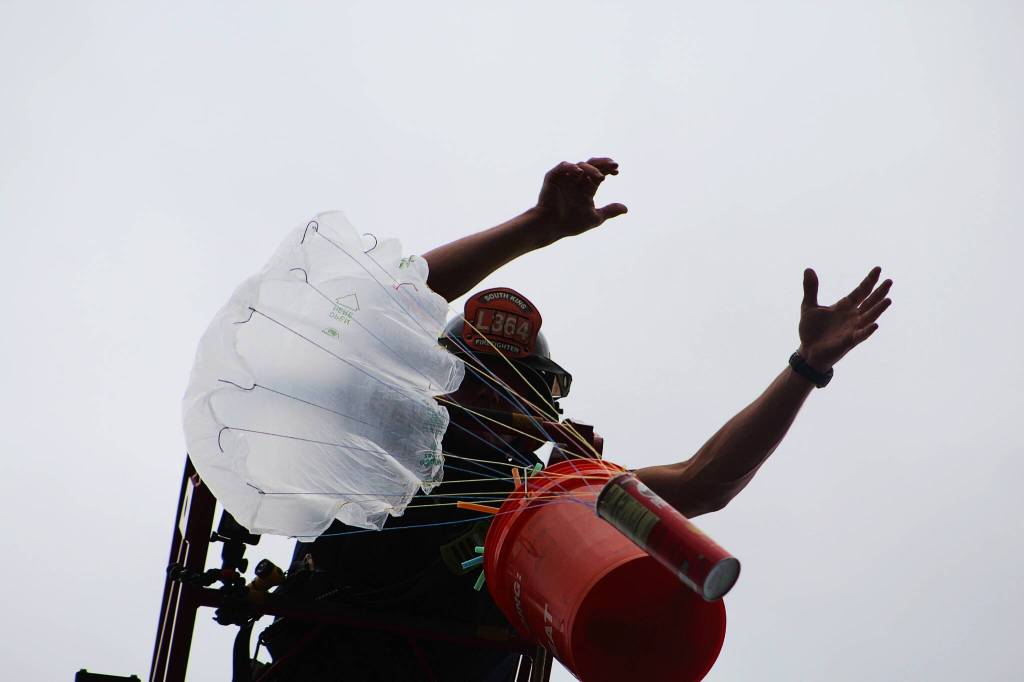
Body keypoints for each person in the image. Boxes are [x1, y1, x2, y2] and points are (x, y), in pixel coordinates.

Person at [259, 157, 893, 680]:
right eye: (473, 378)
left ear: (543, 409)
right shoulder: (373, 439)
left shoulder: (551, 496)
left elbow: (705, 482)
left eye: (513, 386)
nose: (490, 399)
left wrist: (806, 368)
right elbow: (378, 309)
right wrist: (535, 227)